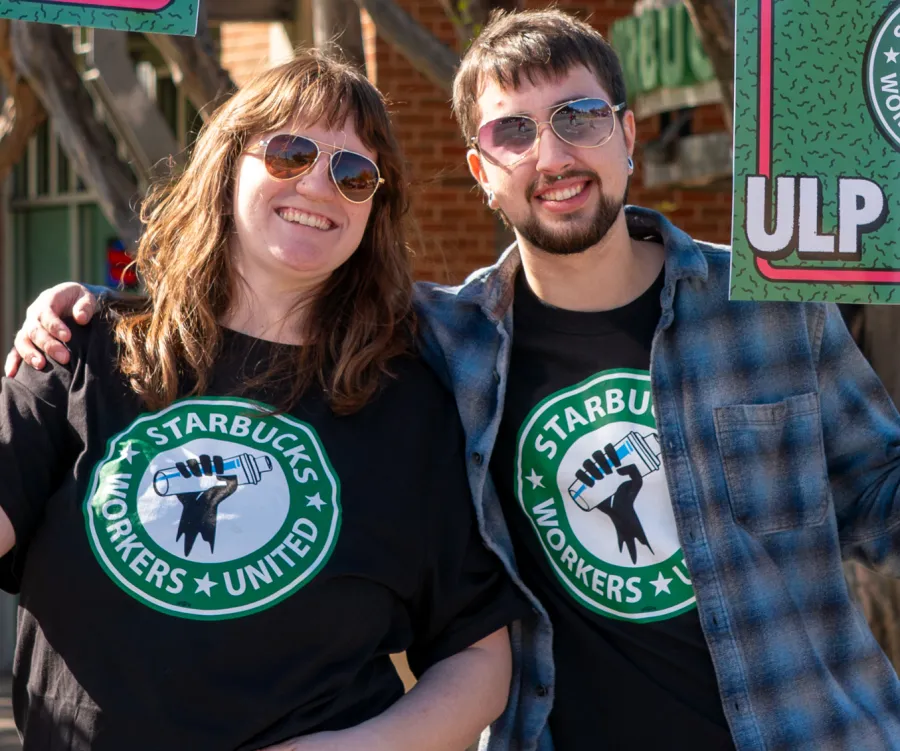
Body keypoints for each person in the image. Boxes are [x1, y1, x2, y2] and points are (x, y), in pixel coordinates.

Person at [12, 8, 900, 751]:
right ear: (481, 172)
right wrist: (86, 307)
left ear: (628, 135)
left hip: (808, 732)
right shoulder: (447, 342)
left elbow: (881, 494)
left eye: (580, 117)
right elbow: (259, 311)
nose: (551, 154)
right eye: (513, 131)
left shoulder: (772, 307)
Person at [0, 50, 529, 751]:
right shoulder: (82, 350)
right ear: (227, 164)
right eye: (290, 152)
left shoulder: (410, 404)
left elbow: (481, 655)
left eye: (354, 174)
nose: (319, 184)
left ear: (374, 211)